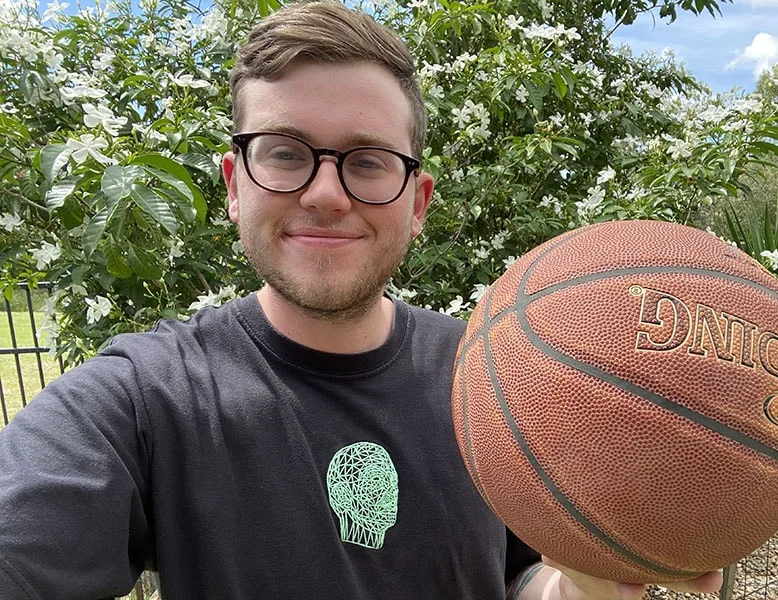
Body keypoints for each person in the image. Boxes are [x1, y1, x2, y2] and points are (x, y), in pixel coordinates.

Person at [0, 2, 724, 599]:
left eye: (368, 162)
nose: (324, 192)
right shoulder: (144, 398)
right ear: (232, 184)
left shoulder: (496, 376)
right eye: (283, 152)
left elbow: (517, 578)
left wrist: (586, 584)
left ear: (417, 201)